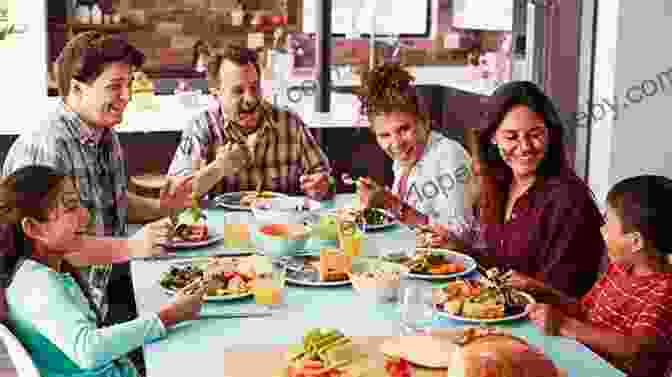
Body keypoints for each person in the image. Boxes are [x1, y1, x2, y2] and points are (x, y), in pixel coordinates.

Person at [1, 32, 192, 325]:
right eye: (115, 86)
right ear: (77, 89)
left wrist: (163, 208)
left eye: (129, 84)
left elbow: (111, 199)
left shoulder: (104, 133)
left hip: (105, 284)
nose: (127, 96)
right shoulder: (48, 147)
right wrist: (131, 247)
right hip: (67, 314)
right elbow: (54, 247)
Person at [0, 165, 210, 377]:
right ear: (34, 228)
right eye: (71, 207)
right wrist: (169, 316)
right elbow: (88, 349)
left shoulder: (44, 271)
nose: (85, 215)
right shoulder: (35, 283)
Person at [429, 81, 605, 298]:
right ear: (493, 137)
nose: (525, 147)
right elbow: (503, 269)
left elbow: (567, 295)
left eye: (535, 135)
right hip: (499, 311)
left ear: (550, 134)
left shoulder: (571, 202)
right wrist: (459, 249)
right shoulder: (499, 183)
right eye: (511, 137)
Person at [522, 175, 672, 377]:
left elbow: (636, 348)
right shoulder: (619, 267)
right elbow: (583, 310)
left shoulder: (665, 291)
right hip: (581, 359)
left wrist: (565, 325)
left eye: (608, 223)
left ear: (635, 242)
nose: (602, 230)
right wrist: (535, 288)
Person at [167, 45, 334, 200]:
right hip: (223, 229)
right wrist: (219, 168)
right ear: (215, 93)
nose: (250, 99)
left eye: (254, 87)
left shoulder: (290, 122)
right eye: (238, 91)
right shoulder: (200, 127)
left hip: (282, 227)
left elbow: (324, 177)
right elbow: (175, 194)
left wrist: (322, 185)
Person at [354, 63, 471, 227]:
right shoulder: (405, 159)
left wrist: (391, 204)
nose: (396, 144)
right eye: (384, 135)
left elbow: (458, 236)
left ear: (425, 121)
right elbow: (407, 219)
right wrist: (380, 199)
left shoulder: (449, 156)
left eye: (404, 129)